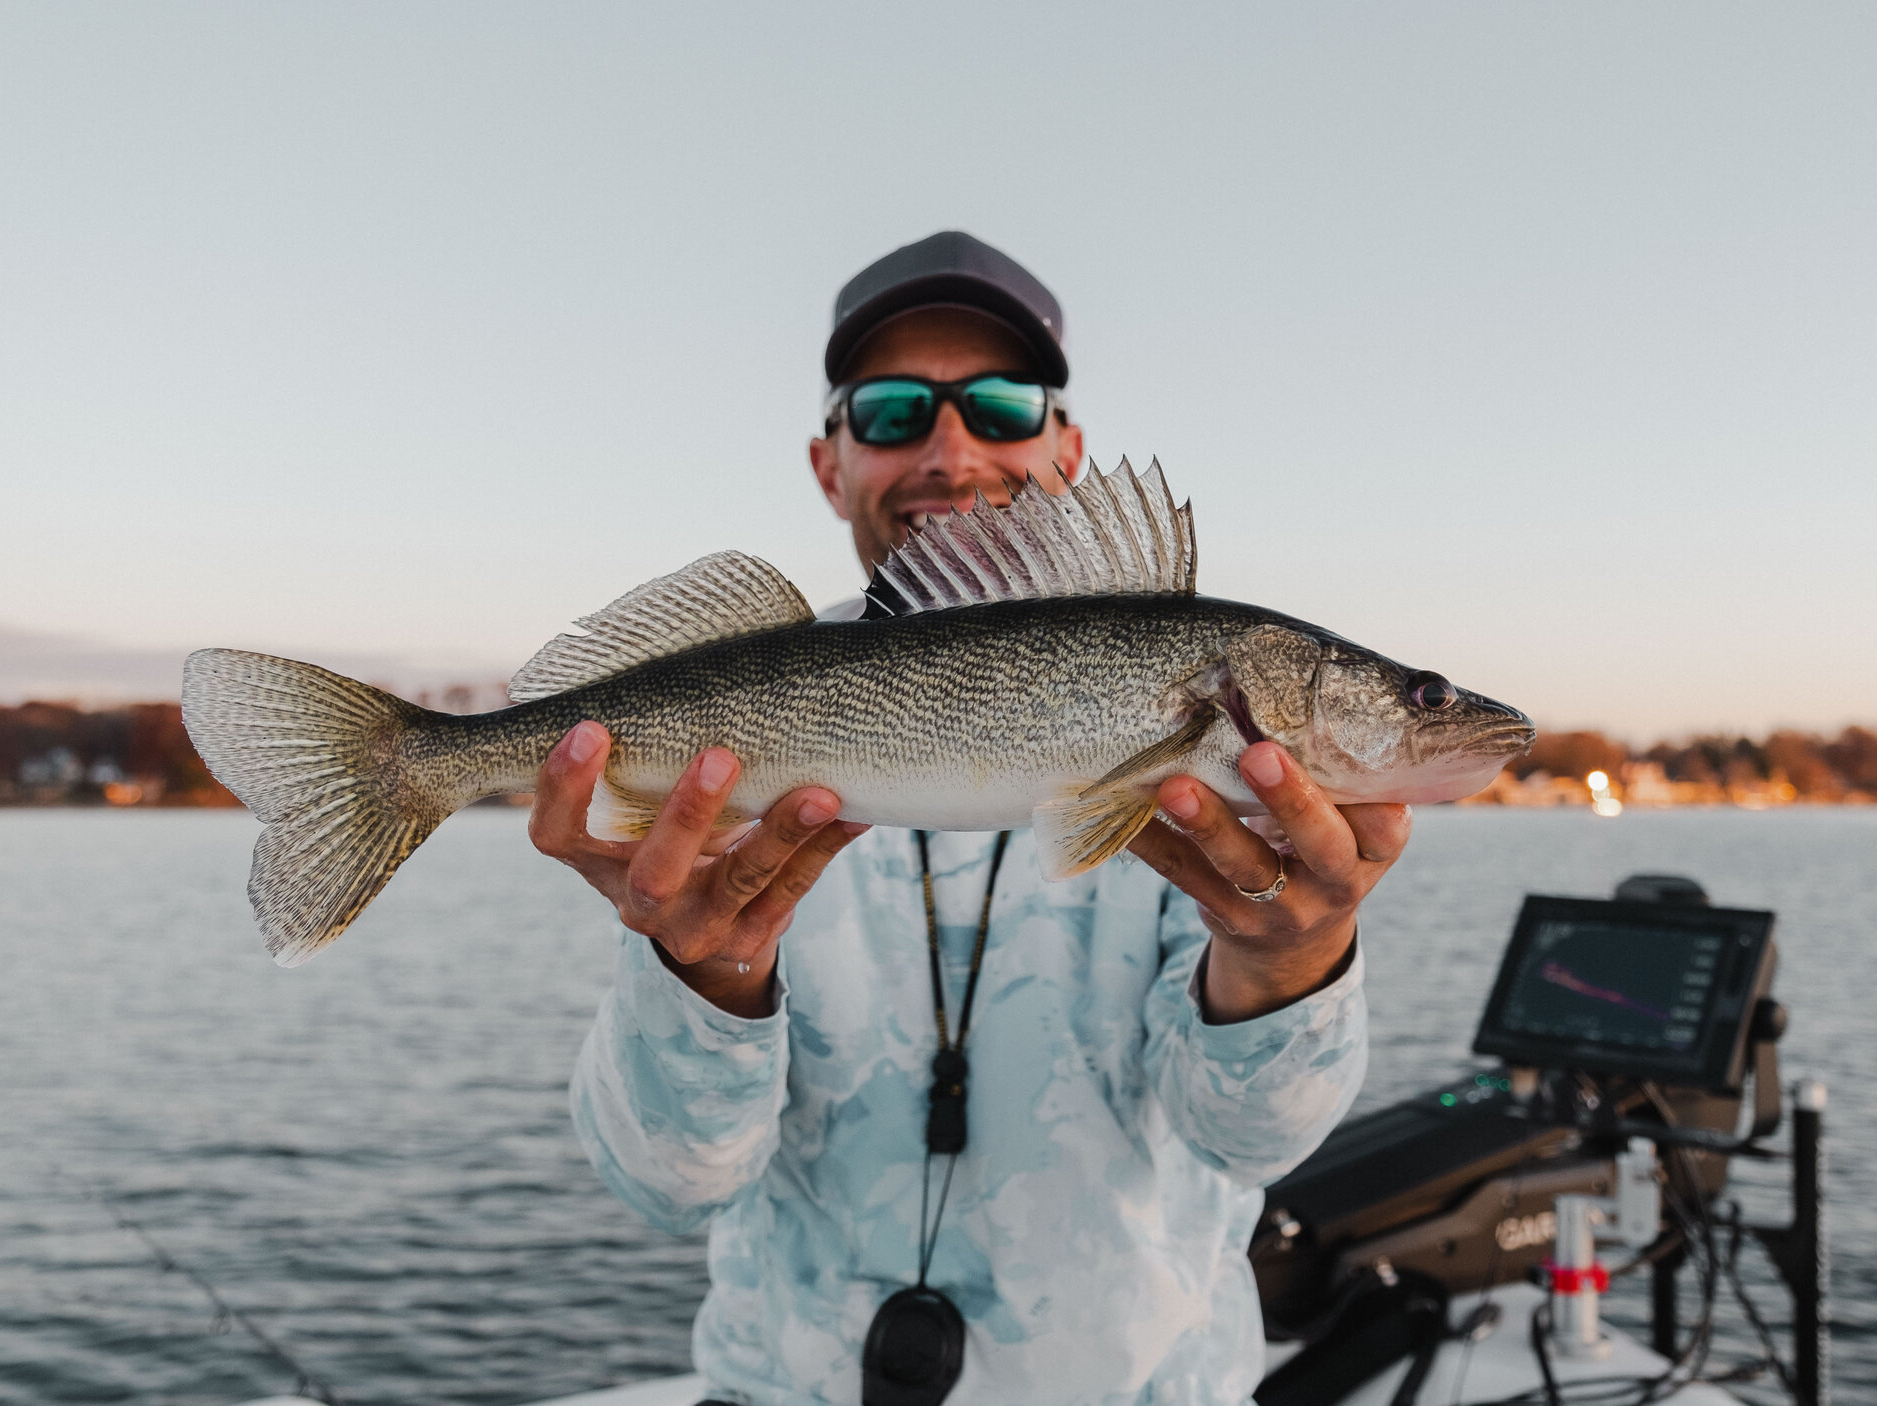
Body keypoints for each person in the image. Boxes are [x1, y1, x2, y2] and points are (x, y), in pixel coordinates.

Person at [531, 232, 1411, 1404]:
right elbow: (667, 1182)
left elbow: (1245, 1142)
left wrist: (1292, 953)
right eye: (893, 410)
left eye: (1001, 404)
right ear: (826, 461)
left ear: (1069, 446)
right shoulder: (727, 732)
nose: (952, 450)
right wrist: (703, 976)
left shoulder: (1243, 781)